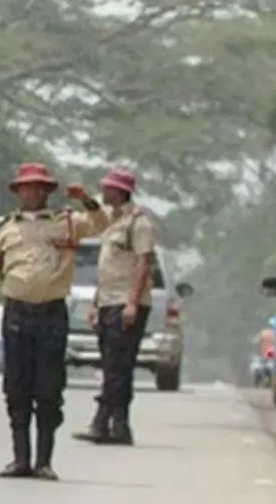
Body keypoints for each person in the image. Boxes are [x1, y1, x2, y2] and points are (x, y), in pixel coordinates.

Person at [0, 162, 109, 480]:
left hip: (50, 314)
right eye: (25, 187)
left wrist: (85, 199)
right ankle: (20, 458)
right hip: (16, 314)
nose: (31, 192)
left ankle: (44, 460)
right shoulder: (6, 228)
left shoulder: (67, 222)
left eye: (38, 187)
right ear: (17, 192)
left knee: (48, 389)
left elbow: (102, 223)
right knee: (16, 389)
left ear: (47, 191)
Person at [72, 168, 156, 446]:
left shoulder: (139, 223)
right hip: (109, 300)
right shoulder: (113, 222)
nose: (104, 192)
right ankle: (118, 425)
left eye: (108, 188)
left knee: (118, 364)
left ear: (120, 191)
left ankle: (103, 422)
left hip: (126, 302)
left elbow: (143, 264)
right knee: (112, 365)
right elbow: (106, 269)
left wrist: (132, 303)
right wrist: (96, 304)